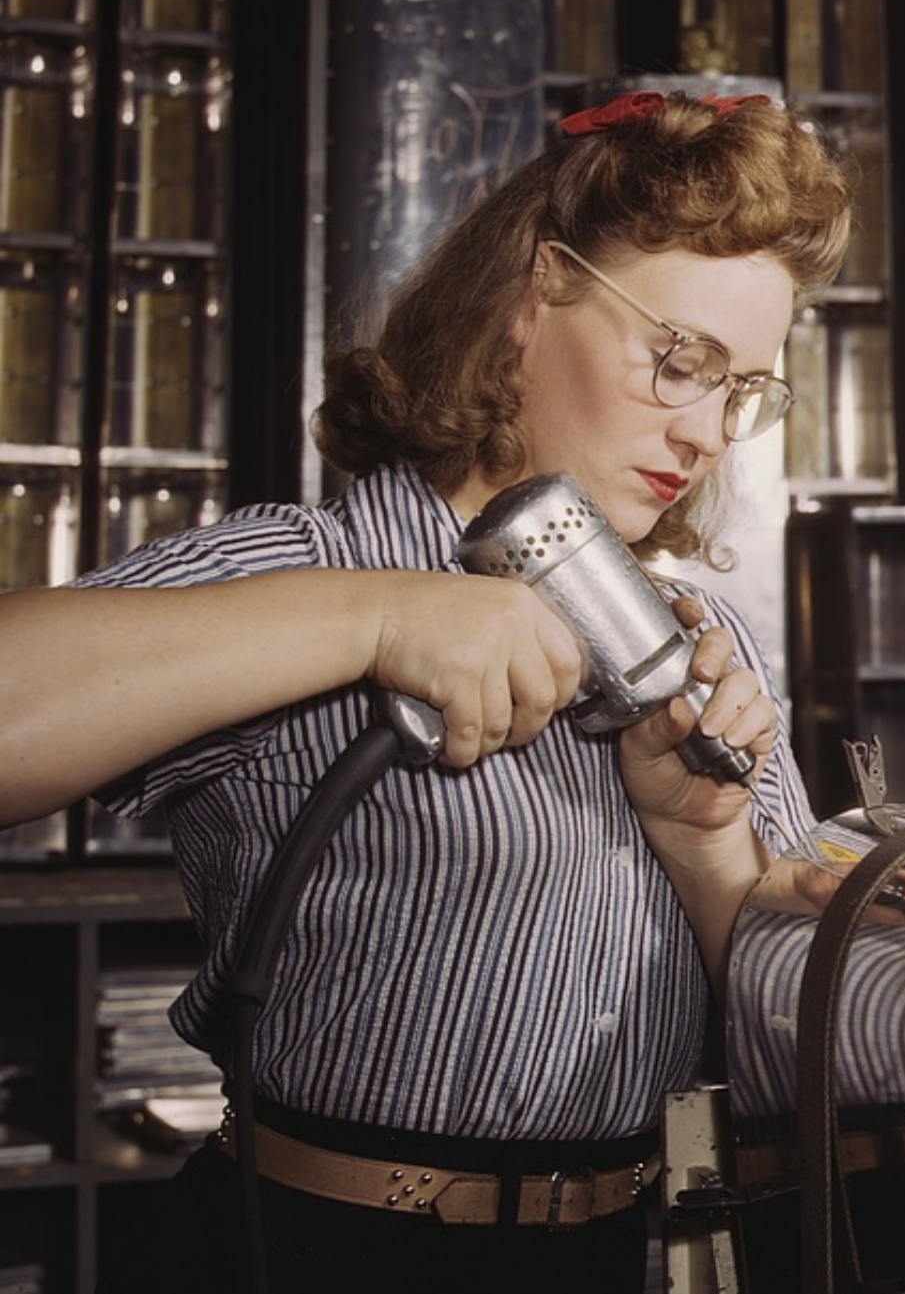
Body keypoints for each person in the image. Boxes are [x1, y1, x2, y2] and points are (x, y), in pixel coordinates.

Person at [0, 89, 853, 1293]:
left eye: (742, 391)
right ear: (529, 299)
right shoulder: (308, 565)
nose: (708, 427)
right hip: (322, 1251)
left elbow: (809, 1040)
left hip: (617, 1255)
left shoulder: (696, 644)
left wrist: (706, 842)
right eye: (680, 360)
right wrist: (382, 614)